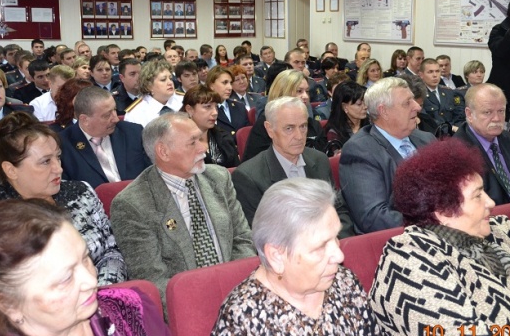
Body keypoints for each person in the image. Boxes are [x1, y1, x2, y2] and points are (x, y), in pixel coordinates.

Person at [370, 138, 510, 335]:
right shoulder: (409, 261)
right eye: (478, 196)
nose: (491, 202)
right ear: (444, 211)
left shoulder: (500, 230)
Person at [0, 112, 127, 315]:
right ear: (11, 170)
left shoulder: (81, 193)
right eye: (45, 161)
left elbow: (111, 253)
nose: (58, 169)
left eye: (58, 157)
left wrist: (97, 297)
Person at [0, 199, 169, 336]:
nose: (91, 281)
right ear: (8, 305)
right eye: (65, 279)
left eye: (85, 258)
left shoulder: (130, 308)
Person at [110, 113, 255, 305]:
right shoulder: (133, 204)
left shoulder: (219, 178)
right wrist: (201, 307)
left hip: (239, 294)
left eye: (201, 139)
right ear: (163, 152)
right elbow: (153, 280)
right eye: (192, 142)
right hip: (188, 307)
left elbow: (243, 240)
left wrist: (239, 292)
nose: (203, 148)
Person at [214, 178, 377, 334]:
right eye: (320, 247)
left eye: (336, 237)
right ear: (276, 256)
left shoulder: (345, 282)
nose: (339, 256)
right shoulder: (242, 320)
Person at [232, 97, 354, 236]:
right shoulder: (248, 177)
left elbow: (339, 210)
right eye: (289, 128)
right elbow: (261, 235)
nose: (299, 136)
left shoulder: (319, 160)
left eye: (303, 126)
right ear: (270, 129)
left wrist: (336, 241)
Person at [339, 77, 435, 233]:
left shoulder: (426, 139)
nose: (417, 107)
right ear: (384, 111)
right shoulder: (360, 151)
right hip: (404, 238)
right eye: (407, 103)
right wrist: (434, 223)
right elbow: (373, 217)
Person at [454, 83, 510, 204]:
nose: (497, 118)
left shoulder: (508, 139)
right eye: (487, 112)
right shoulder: (457, 151)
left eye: (501, 111)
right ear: (469, 114)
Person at [60, 87, 150, 188]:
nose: (116, 119)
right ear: (85, 119)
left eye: (114, 110)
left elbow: (152, 173)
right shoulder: (63, 145)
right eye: (107, 115)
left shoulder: (133, 133)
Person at [242, 70, 327, 161]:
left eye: (307, 91)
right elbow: (255, 164)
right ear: (283, 93)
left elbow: (322, 158)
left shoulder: (313, 124)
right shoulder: (265, 126)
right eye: (299, 91)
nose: (305, 96)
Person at [182, 85, 240, 168]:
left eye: (216, 107)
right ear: (190, 110)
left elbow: (236, 170)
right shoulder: (180, 141)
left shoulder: (224, 136)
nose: (215, 113)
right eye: (208, 107)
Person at [123, 59, 185, 128]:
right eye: (163, 80)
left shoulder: (185, 100)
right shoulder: (135, 114)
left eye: (170, 78)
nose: (170, 83)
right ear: (149, 86)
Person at [419, 58, 465, 132]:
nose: (435, 75)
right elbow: (427, 120)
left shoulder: (449, 92)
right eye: (430, 72)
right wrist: (450, 128)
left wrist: (458, 130)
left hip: (453, 134)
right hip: (432, 134)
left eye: (437, 71)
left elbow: (459, 116)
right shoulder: (419, 95)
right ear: (421, 75)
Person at [206, 66, 250, 136]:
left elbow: (247, 134)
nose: (230, 87)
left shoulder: (240, 107)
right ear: (211, 86)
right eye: (225, 83)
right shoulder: (205, 110)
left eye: (231, 83)